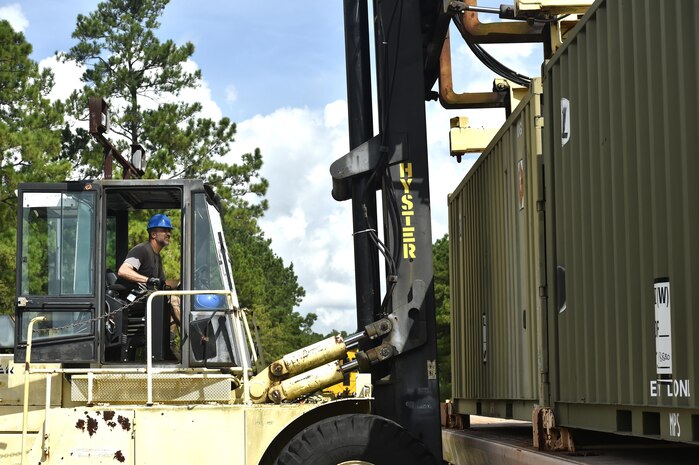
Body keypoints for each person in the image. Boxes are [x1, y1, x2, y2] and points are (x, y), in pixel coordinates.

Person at [117, 213, 180, 358]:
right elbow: (123, 270)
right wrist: (148, 280)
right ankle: (196, 337)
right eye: (164, 230)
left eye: (169, 230)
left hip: (147, 300)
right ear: (153, 233)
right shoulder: (142, 250)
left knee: (172, 302)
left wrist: (182, 282)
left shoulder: (157, 256)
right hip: (130, 300)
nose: (168, 234)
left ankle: (169, 344)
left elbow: (163, 283)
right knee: (174, 300)